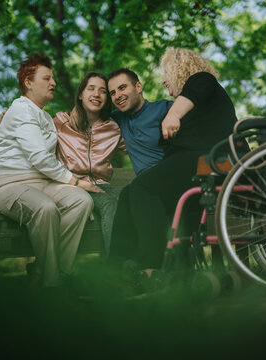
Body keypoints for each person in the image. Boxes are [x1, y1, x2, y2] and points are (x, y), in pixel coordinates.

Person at [109, 47, 243, 277]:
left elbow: (196, 89)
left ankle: (150, 267)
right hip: (198, 165)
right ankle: (117, 268)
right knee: (128, 193)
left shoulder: (202, 80)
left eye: (166, 73)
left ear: (180, 71)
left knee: (142, 187)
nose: (163, 80)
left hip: (213, 162)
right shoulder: (194, 107)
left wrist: (173, 115)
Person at [0, 53, 102, 291]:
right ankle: (54, 285)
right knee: (46, 207)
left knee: (81, 202)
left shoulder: (44, 117)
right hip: (9, 186)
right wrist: (76, 181)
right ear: (28, 82)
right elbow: (39, 157)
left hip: (42, 183)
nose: (54, 83)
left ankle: (46, 270)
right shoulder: (21, 109)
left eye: (54, 79)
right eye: (46, 78)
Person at [53, 72, 127, 256]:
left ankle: (140, 264)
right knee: (110, 204)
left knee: (129, 200)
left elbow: (139, 145)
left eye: (102, 91)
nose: (96, 94)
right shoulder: (62, 122)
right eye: (91, 89)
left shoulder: (113, 128)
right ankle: (116, 267)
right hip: (72, 186)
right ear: (80, 94)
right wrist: (7, 118)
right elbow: (33, 134)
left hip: (102, 186)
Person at [107, 68, 173, 174]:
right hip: (145, 184)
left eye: (122, 88)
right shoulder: (116, 118)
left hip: (172, 175)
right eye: (112, 93)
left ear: (138, 87)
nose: (118, 95)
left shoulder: (164, 108)